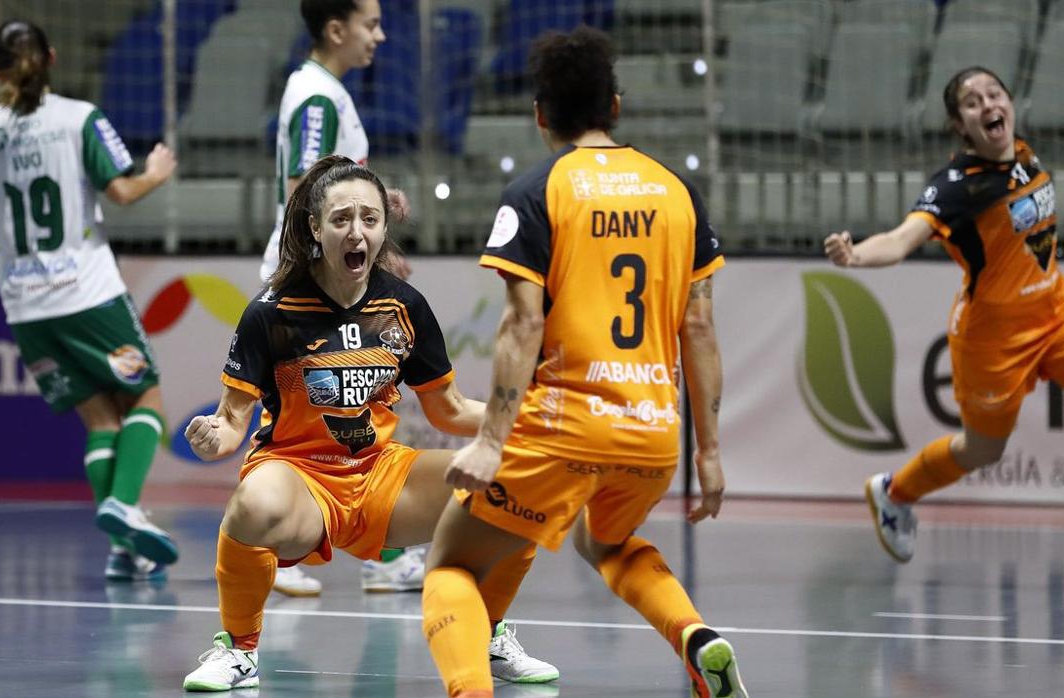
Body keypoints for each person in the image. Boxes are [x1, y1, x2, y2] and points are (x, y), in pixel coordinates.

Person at [420, 27, 749, 698]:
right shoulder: (678, 193)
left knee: (449, 566)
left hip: (565, 426)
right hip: (653, 434)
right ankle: (694, 636)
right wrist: (708, 453)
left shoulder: (537, 192)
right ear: (617, 106)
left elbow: (521, 324)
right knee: (608, 544)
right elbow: (701, 326)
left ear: (540, 115)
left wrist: (490, 443)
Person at [181, 155, 557, 691]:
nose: (357, 232)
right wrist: (210, 437)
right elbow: (231, 422)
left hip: (382, 478)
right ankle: (238, 651)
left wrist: (520, 420)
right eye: (341, 219)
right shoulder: (271, 311)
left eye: (370, 219)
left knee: (514, 486)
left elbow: (446, 408)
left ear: (383, 227)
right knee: (253, 504)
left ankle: (488, 634)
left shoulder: (403, 306)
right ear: (315, 228)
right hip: (300, 477)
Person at [823, 66, 1064, 563]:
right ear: (961, 125)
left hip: (1060, 314)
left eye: (994, 94)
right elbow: (902, 237)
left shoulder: (1022, 150)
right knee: (983, 451)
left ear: (1010, 102)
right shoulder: (956, 187)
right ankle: (895, 492)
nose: (988, 104)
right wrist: (856, 255)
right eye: (973, 102)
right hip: (992, 341)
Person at [0, 20, 179, 580]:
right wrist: (155, 172)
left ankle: (121, 550)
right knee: (147, 400)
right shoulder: (80, 118)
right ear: (52, 58)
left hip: (25, 307)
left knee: (100, 419)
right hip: (87, 293)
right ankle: (125, 508)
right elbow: (123, 191)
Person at [261, 0, 412, 597]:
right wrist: (359, 254)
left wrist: (375, 205)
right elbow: (305, 187)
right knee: (341, 411)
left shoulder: (322, 91)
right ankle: (287, 549)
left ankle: (363, 552)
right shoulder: (319, 97)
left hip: (321, 273)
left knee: (345, 409)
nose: (379, 34)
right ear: (335, 29)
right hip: (314, 281)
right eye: (370, 23)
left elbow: (326, 184)